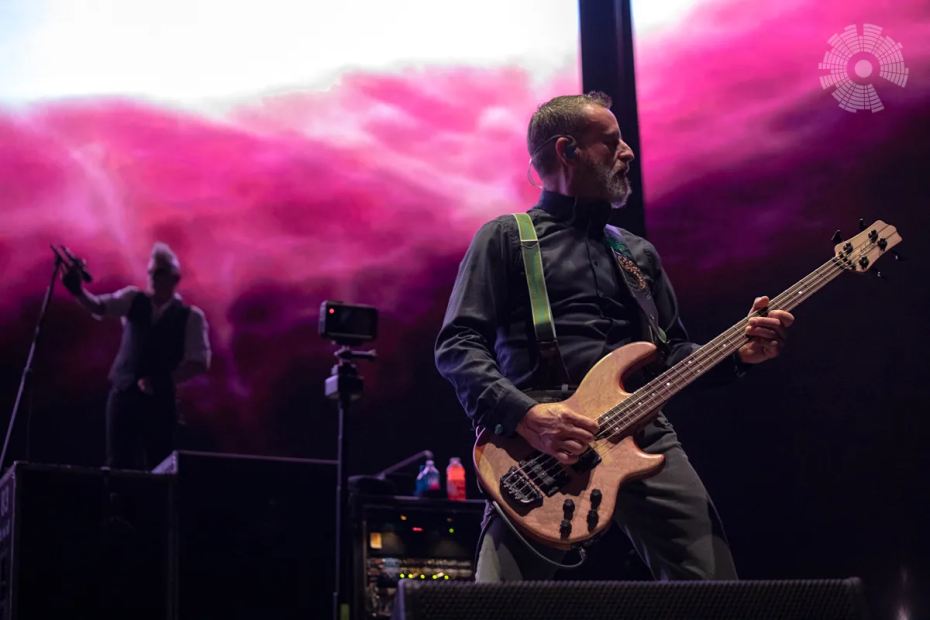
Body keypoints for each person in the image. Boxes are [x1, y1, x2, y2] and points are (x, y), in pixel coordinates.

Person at [434, 92, 795, 582]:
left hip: (642, 429)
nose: (628, 152)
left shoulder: (636, 253)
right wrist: (527, 416)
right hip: (544, 441)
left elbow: (670, 356)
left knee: (715, 590)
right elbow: (457, 347)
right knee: (501, 603)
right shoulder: (504, 238)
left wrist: (739, 355)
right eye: (611, 141)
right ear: (567, 150)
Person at [63, 242, 211, 470]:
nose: (152, 277)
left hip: (159, 402)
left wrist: (164, 380)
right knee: (116, 463)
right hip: (123, 393)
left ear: (174, 278)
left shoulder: (191, 316)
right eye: (151, 271)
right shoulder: (133, 298)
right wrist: (79, 292)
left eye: (159, 272)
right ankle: (117, 504)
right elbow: (100, 307)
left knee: (160, 465)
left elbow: (199, 362)